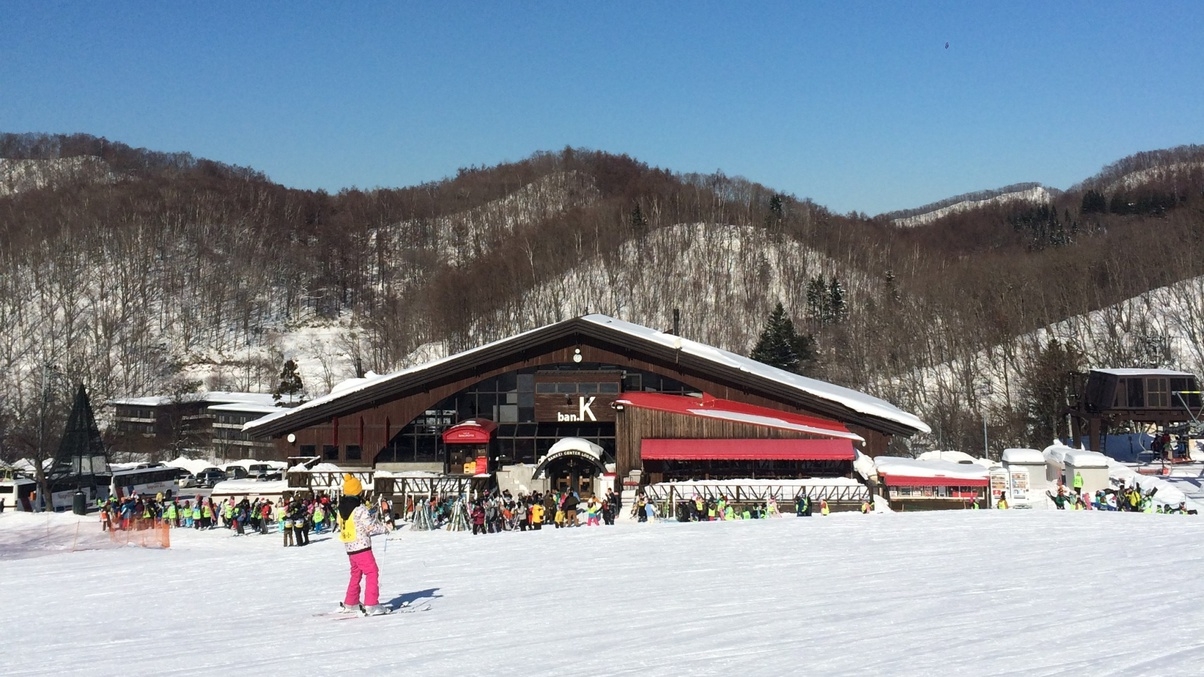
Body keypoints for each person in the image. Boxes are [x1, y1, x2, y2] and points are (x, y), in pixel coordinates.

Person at [337, 474, 392, 616]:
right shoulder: (359, 509)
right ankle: (371, 604)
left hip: (350, 546)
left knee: (356, 573)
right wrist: (385, 528)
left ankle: (351, 601)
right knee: (372, 572)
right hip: (361, 546)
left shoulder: (341, 508)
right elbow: (370, 526)